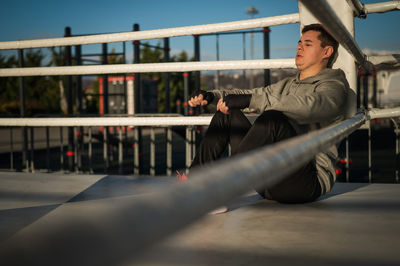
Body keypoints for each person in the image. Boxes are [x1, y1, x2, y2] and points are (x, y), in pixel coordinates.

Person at [186, 23, 350, 205]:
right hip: (270, 179)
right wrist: (213, 96)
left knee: (273, 119)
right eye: (299, 42)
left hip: (305, 183)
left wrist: (251, 101)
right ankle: (194, 187)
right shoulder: (288, 85)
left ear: (326, 52)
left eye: (308, 44)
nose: (299, 47)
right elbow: (255, 95)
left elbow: (311, 106)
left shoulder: (334, 87)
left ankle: (223, 187)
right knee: (228, 115)